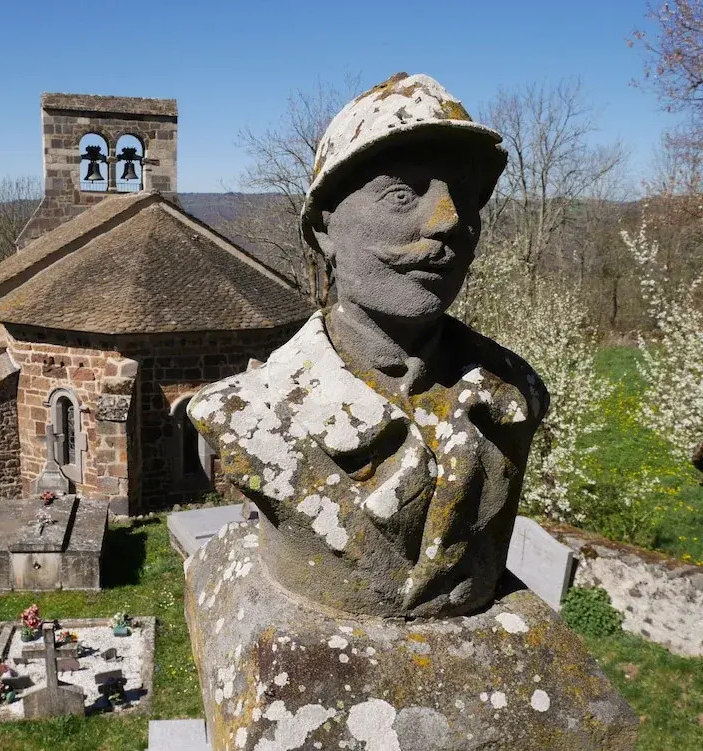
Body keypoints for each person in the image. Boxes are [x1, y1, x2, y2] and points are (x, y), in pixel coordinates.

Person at [189, 73, 548, 618]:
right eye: (402, 195)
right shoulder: (249, 412)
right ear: (324, 231)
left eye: (466, 198)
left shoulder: (514, 395)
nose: (449, 222)